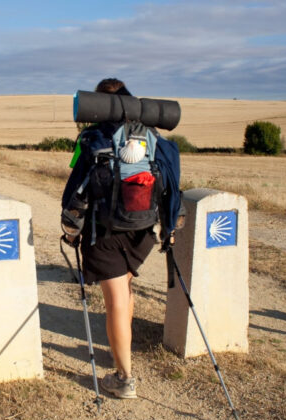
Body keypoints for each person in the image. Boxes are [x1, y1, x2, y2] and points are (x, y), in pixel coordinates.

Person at [61, 78, 181, 398]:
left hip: (105, 233)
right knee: (125, 291)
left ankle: (124, 378)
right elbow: (172, 186)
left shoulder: (93, 137)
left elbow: (75, 186)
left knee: (115, 299)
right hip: (142, 233)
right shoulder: (156, 138)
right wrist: (168, 230)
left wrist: (71, 228)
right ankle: (120, 346)